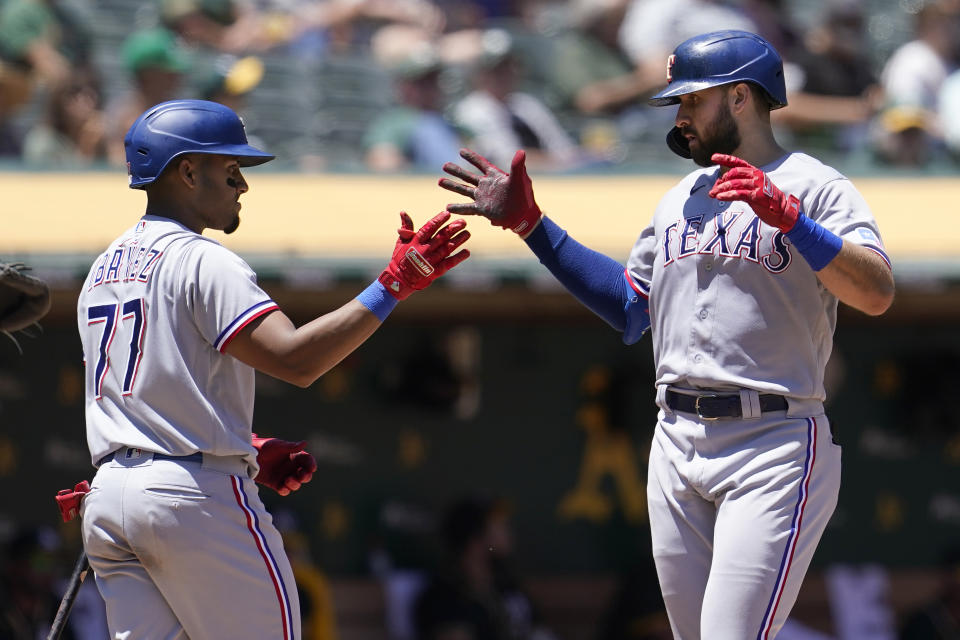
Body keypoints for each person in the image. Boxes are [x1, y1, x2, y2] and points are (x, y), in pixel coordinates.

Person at [439, 30, 894, 640]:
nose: (680, 116)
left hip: (771, 439)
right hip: (676, 439)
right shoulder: (680, 198)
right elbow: (631, 307)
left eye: (691, 100)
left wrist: (793, 220)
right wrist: (532, 226)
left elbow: (876, 292)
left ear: (739, 98)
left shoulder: (814, 184)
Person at [76, 99, 470, 639]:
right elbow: (296, 359)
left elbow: (148, 393)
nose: (243, 185)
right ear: (188, 171)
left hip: (109, 497)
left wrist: (250, 448)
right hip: (192, 499)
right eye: (231, 169)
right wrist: (393, 285)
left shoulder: (102, 268)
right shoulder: (202, 258)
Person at [413, 495, 557, 640]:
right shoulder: (443, 599)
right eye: (498, 526)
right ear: (474, 540)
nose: (507, 531)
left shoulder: (507, 588)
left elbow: (539, 631)